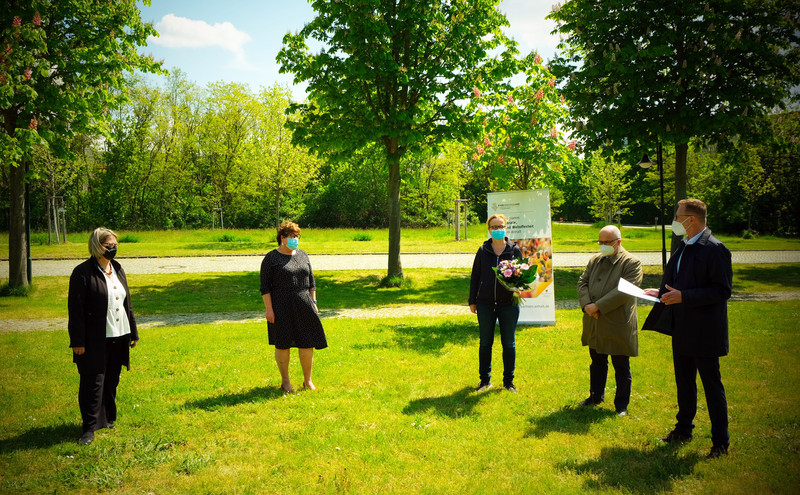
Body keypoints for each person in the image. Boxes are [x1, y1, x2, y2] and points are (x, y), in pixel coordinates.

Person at [643, 198, 732, 459]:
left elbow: (722, 290)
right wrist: (658, 293)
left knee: (711, 386)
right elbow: (677, 282)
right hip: (681, 327)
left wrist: (685, 297)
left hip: (705, 331)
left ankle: (720, 444)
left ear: (691, 219)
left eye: (677, 216)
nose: (674, 221)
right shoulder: (683, 246)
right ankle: (683, 430)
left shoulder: (715, 249)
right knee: (684, 383)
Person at [68, 227, 139, 446]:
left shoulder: (117, 268)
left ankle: (105, 418)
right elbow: (76, 310)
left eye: (115, 245)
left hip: (119, 333)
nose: (114, 249)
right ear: (98, 246)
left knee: (111, 379)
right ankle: (88, 428)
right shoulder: (82, 272)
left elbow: (126, 303)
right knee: (93, 381)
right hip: (95, 337)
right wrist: (78, 341)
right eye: (109, 245)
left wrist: (133, 331)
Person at [577, 225, 642, 416]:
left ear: (618, 242)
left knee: (621, 364)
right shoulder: (595, 260)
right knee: (596, 360)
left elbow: (625, 290)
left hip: (616, 322)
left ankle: (621, 405)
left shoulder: (632, 263)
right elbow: (582, 282)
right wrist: (588, 304)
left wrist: (598, 306)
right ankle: (595, 396)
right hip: (594, 320)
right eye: (601, 242)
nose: (603, 245)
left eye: (607, 242)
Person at [260, 221, 327, 393]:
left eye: (297, 236)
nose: (295, 240)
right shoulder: (271, 258)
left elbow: (311, 281)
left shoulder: (303, 255)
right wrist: (269, 309)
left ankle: (308, 380)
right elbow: (265, 287)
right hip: (281, 305)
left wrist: (314, 302)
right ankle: (285, 382)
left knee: (307, 342)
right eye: (292, 237)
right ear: (282, 238)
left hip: (304, 303)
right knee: (282, 344)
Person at [468, 214, 524, 393]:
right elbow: (475, 276)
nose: (497, 230)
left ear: (506, 227)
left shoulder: (514, 250)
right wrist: (472, 300)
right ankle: (485, 381)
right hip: (485, 303)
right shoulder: (483, 251)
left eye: (501, 226)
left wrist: (519, 288)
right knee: (485, 343)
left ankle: (509, 382)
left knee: (509, 343)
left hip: (508, 304)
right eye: (494, 227)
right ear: (488, 229)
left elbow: (522, 275)